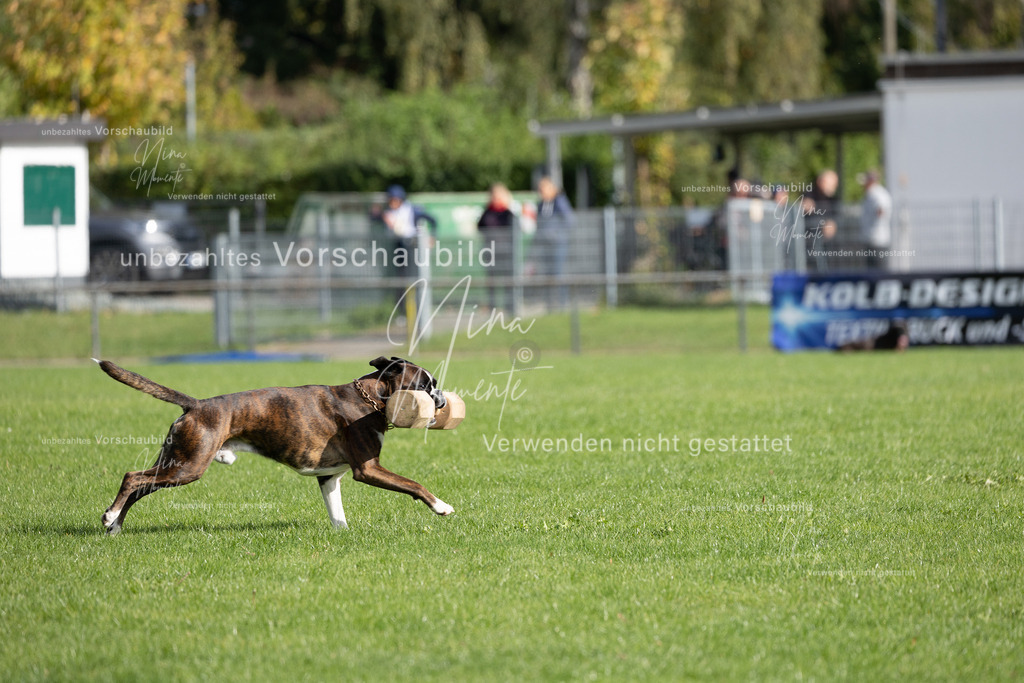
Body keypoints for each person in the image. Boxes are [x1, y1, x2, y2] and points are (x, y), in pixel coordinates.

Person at [375, 184, 437, 305]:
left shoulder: (412, 210)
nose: (393, 202)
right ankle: (402, 312)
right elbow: (374, 218)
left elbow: (433, 221)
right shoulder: (388, 213)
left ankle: (419, 309)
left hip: (412, 248)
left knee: (415, 278)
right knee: (400, 281)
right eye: (391, 200)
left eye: (395, 199)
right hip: (397, 248)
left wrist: (432, 237)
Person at [532, 176, 574, 310]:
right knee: (547, 273)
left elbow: (569, 220)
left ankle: (561, 302)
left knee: (558, 272)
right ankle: (549, 302)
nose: (541, 192)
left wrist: (556, 233)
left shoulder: (559, 202)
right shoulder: (540, 205)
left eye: (543, 189)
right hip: (545, 244)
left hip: (557, 243)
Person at [477, 183, 515, 310]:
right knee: (491, 280)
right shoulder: (487, 212)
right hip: (490, 250)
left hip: (506, 251)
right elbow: (480, 227)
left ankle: (509, 306)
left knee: (508, 280)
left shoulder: (508, 213)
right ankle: (492, 306)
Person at [801, 169, 839, 271]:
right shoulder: (810, 193)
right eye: (831, 183)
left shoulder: (833, 199)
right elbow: (806, 206)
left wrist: (831, 223)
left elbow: (835, 216)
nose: (833, 186)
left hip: (828, 243)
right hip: (810, 239)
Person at [859, 170, 892, 270]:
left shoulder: (876, 193)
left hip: (877, 241)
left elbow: (881, 209)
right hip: (874, 240)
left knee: (878, 272)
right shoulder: (874, 193)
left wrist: (879, 213)